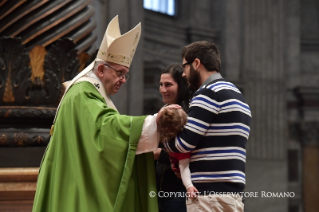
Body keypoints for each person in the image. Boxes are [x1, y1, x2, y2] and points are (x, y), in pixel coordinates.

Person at [32, 16, 177, 212]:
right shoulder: (83, 93)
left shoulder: (93, 92)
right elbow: (104, 130)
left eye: (125, 75)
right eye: (120, 73)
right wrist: (151, 123)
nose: (123, 80)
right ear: (101, 69)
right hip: (73, 185)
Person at [162, 41, 252, 212]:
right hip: (233, 196)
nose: (183, 74)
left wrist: (163, 138)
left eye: (185, 67)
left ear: (196, 63)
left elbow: (183, 145)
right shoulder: (238, 95)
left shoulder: (208, 93)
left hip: (208, 195)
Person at [154, 64, 191, 212]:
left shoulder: (188, 113)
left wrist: (158, 154)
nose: (163, 89)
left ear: (181, 86)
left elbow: (187, 151)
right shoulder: (163, 111)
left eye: (168, 85)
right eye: (161, 84)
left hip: (179, 190)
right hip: (159, 189)